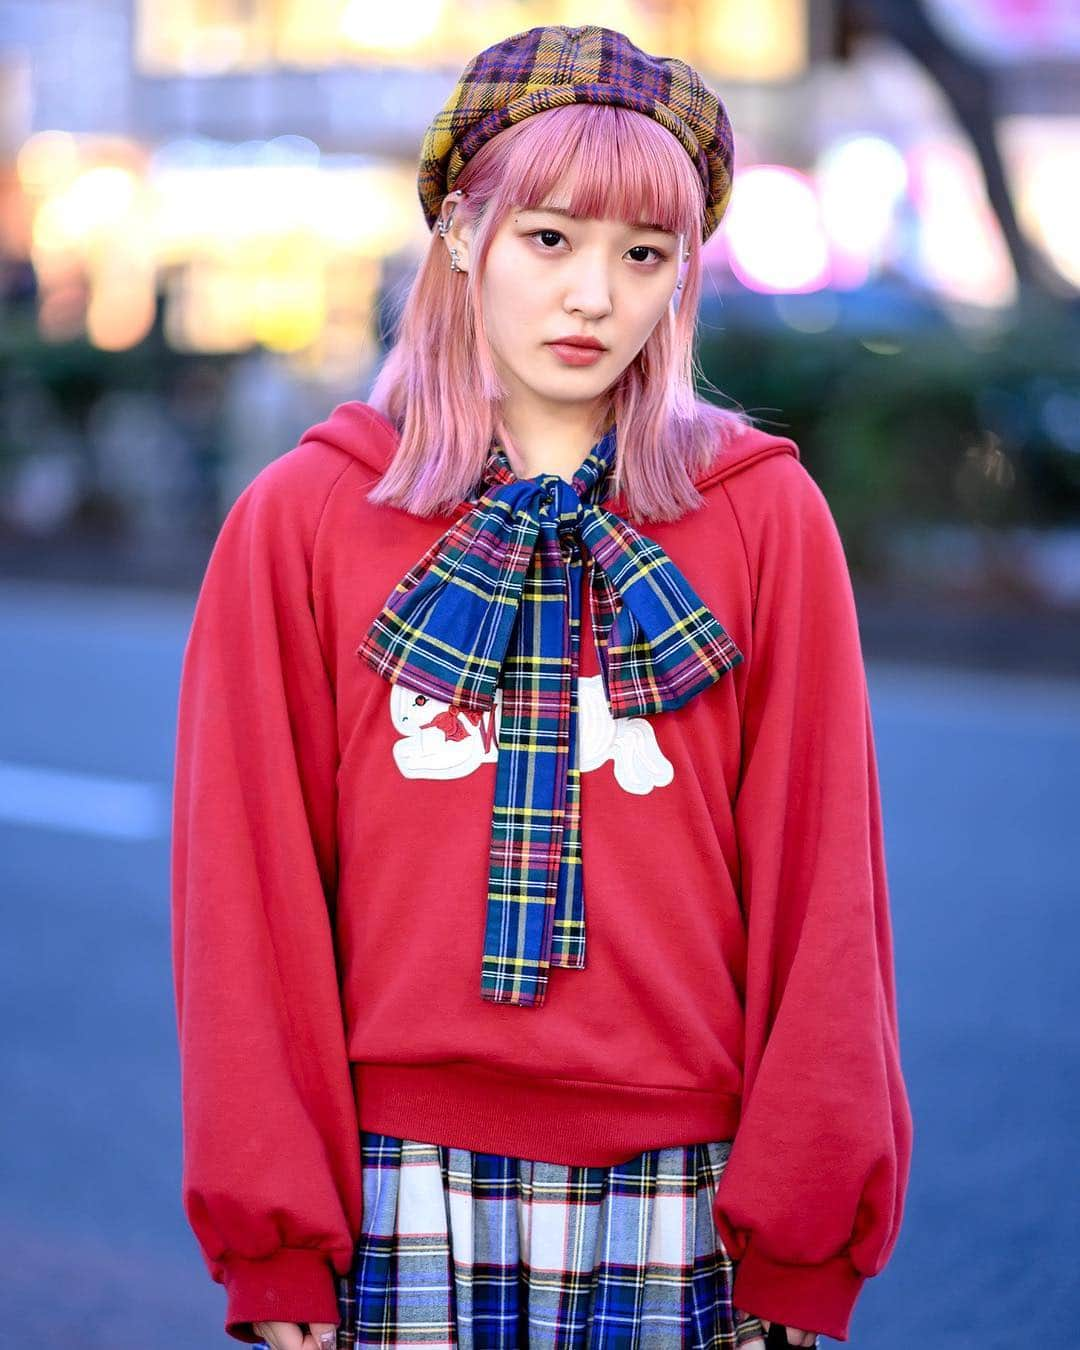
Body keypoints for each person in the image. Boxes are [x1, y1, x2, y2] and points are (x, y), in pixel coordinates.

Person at [170, 23, 914, 1350]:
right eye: (550, 238)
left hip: (692, 1193)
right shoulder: (306, 518)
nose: (595, 298)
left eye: (645, 255)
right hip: (394, 1186)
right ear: (462, 234)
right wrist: (276, 1239)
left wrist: (802, 1241)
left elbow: (825, 888)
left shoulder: (763, 518)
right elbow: (248, 891)